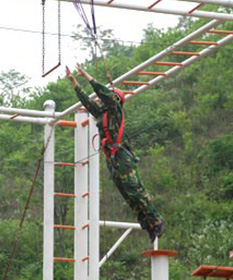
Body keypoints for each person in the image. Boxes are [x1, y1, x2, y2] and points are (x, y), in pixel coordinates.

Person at [65, 63, 165, 242]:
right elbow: (87, 102)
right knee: (127, 194)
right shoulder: (102, 114)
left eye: (103, 98)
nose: (99, 99)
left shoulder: (114, 110)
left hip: (122, 157)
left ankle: (156, 220)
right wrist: (74, 82)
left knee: (135, 190)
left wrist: (87, 76)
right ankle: (148, 225)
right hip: (112, 158)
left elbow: (104, 93)